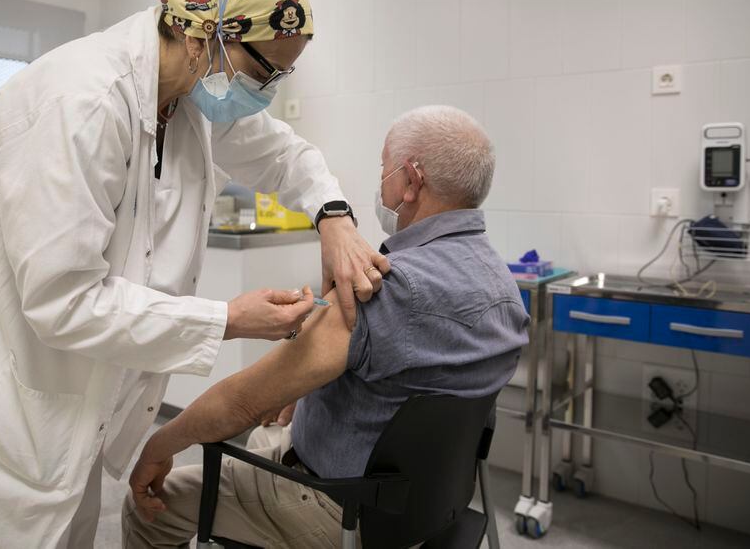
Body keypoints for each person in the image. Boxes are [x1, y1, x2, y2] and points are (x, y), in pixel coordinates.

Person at [0, 0, 389, 548]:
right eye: (263, 71)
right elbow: (63, 299)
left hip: (72, 410)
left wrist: (334, 218)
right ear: (206, 35)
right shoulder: (80, 101)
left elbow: (283, 153)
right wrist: (226, 319)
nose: (269, 90)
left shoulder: (190, 96)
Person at [124, 105, 530, 548]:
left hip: (344, 511)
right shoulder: (506, 289)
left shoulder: (383, 288)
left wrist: (155, 448)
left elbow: (239, 403)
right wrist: (304, 394)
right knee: (271, 428)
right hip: (428, 508)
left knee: (153, 502)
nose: (381, 183)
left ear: (411, 181)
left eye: (383, 169)